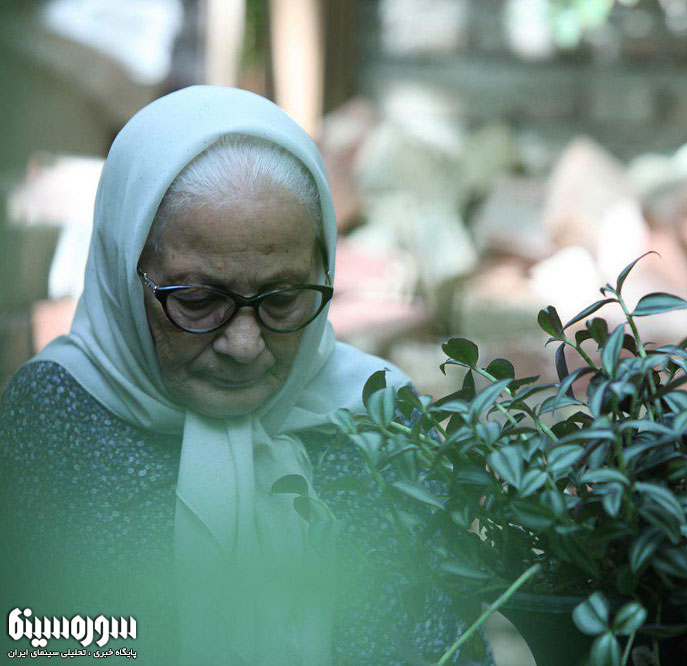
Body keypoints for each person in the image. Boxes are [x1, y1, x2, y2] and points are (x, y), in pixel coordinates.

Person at [0, 86, 490, 665]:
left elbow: (450, 648)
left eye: (282, 299)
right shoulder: (57, 415)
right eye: (197, 301)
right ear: (123, 272)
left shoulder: (379, 421)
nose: (244, 344)